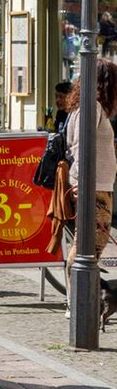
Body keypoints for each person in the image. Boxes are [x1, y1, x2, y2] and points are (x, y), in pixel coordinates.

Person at [65, 60, 117, 296]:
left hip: (96, 184)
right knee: (89, 245)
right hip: (93, 185)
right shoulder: (91, 107)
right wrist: (80, 181)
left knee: (89, 243)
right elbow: (80, 146)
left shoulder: (88, 107)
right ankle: (78, 300)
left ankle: (79, 298)